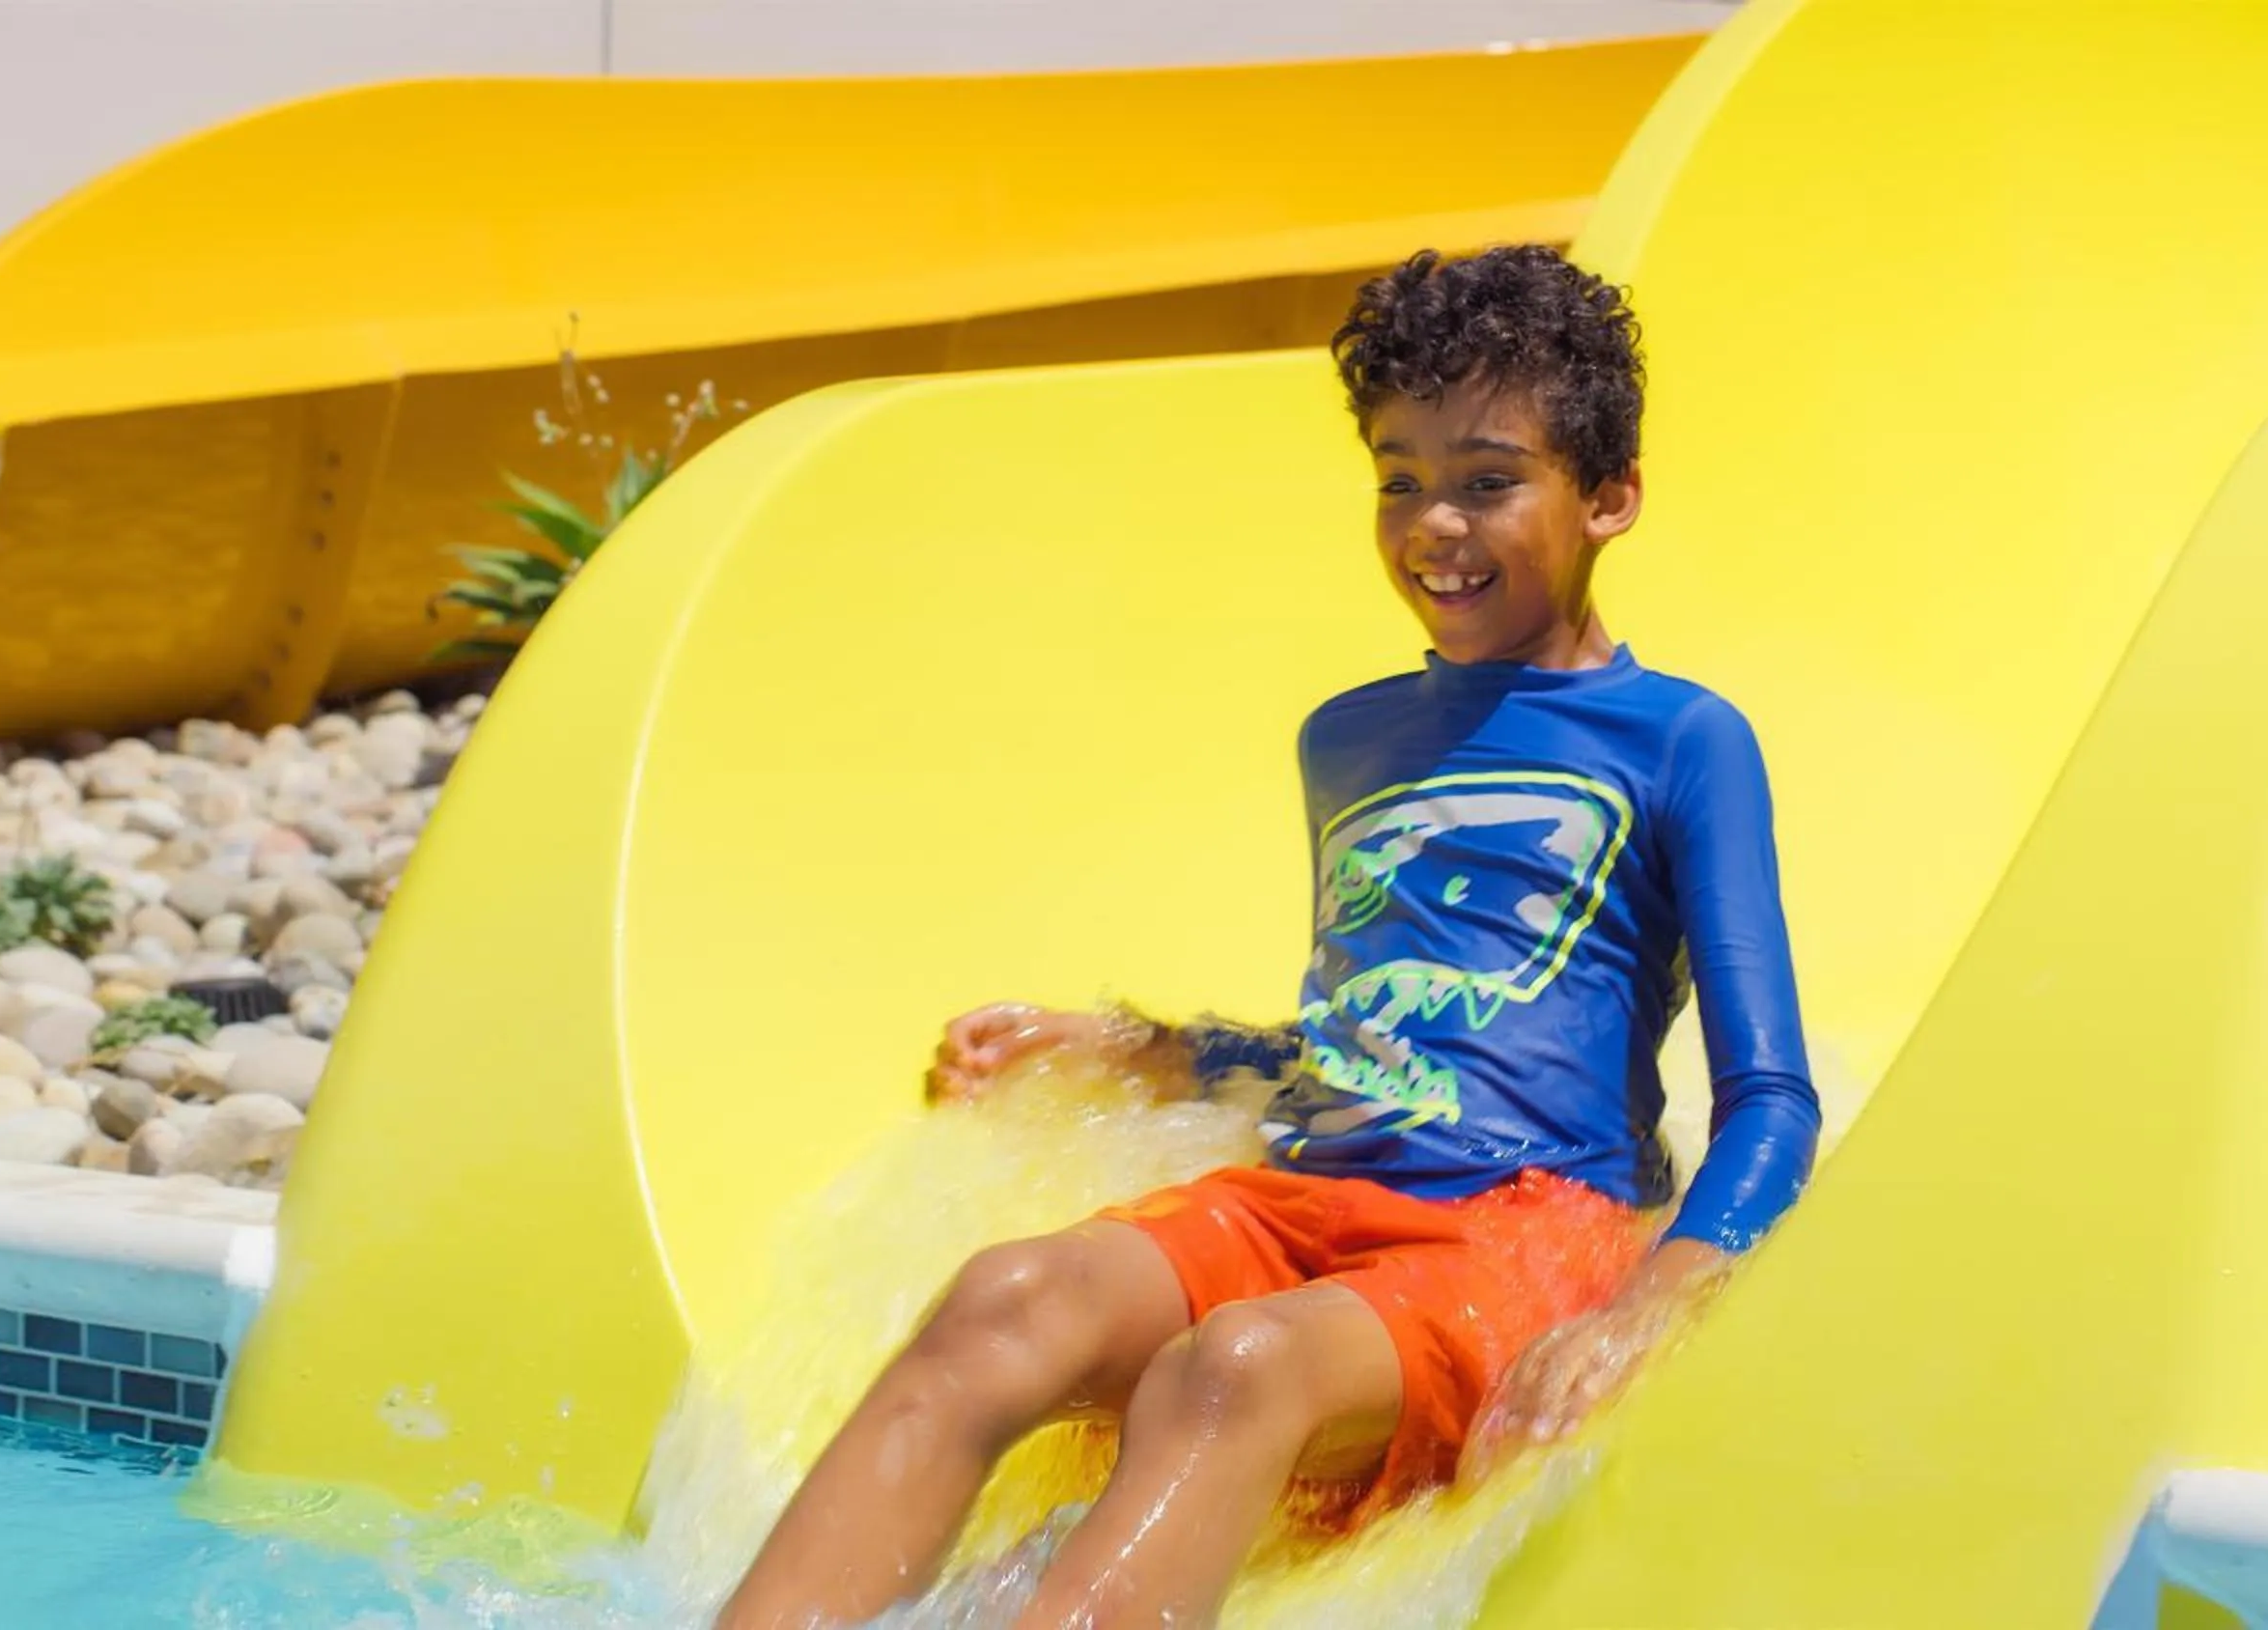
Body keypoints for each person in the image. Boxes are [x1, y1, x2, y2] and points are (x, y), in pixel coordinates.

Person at [716, 243, 1820, 1630]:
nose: (1435, 523)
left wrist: (1645, 1309)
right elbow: (1366, 1045)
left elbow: (1770, 1104)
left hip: (1526, 1229)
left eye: (1489, 479)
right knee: (1006, 1297)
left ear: (1610, 498)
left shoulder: (1680, 741)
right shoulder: (1351, 741)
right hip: (1312, 1204)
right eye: (1399, 477)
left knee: (1231, 1368)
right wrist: (1138, 1048)